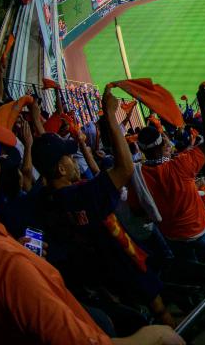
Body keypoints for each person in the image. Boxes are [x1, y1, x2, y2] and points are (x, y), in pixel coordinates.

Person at [0, 82, 183, 344]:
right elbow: (124, 169)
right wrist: (153, 338)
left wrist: (34, 135)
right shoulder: (8, 262)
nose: (0, 165)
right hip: (103, 301)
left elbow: (38, 174)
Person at [32, 85, 174, 327]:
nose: (73, 160)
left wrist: (36, 120)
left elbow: (37, 167)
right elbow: (125, 169)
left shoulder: (42, 200)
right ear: (61, 169)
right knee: (161, 315)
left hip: (97, 281)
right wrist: (110, 115)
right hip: (123, 269)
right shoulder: (83, 194)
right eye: (68, 156)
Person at [139, 86, 205, 281]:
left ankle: (203, 299)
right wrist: (204, 104)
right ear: (163, 145)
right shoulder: (180, 164)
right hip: (198, 227)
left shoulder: (138, 174)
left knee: (193, 271)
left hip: (171, 235)